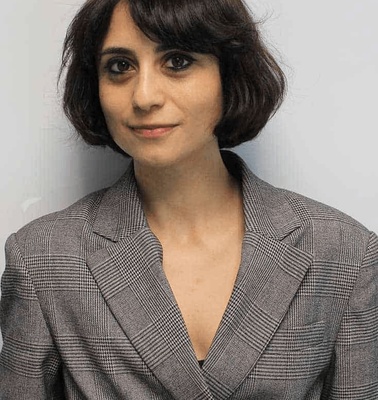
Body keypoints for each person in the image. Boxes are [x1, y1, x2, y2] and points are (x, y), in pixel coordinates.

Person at [0, 0, 377, 398]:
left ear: (229, 74)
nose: (144, 97)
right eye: (120, 67)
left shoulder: (344, 253)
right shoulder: (43, 258)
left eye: (177, 62)